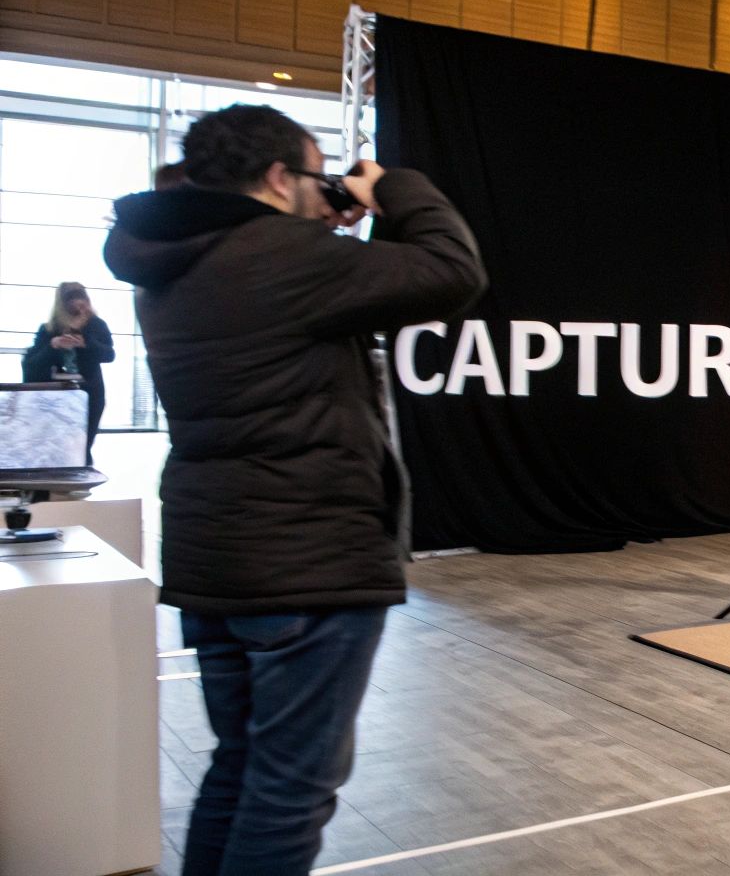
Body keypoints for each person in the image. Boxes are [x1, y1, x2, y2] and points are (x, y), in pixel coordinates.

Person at [104, 104, 486, 875]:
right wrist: (393, 187)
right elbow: (453, 269)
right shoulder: (289, 256)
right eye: (315, 174)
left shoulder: (174, 257)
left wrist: (324, 221)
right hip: (307, 563)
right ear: (281, 176)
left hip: (217, 560)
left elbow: (298, 305)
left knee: (239, 770)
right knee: (290, 795)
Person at [22, 281, 116, 462]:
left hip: (89, 394)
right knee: (54, 446)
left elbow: (109, 355)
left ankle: (80, 481)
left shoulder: (96, 325)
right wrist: (53, 345)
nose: (77, 304)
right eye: (72, 299)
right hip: (56, 398)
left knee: (83, 446)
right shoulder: (49, 329)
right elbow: (32, 365)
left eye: (81, 298)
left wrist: (85, 341)